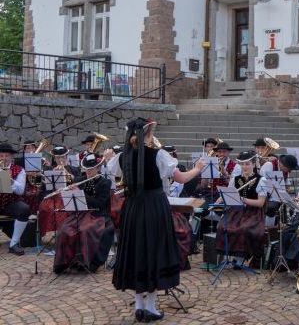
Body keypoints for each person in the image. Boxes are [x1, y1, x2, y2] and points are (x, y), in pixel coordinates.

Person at [112, 118, 207, 323]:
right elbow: (181, 178)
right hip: (154, 207)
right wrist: (198, 168)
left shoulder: (122, 157)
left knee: (137, 250)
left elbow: (118, 176)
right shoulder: (159, 155)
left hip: (132, 208)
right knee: (154, 251)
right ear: (147, 134)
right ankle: (151, 307)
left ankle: (139, 305)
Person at [53, 152, 114, 273]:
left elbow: (99, 204)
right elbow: (73, 201)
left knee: (85, 230)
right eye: (86, 169)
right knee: (63, 230)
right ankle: (66, 262)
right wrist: (70, 192)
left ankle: (86, 262)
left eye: (91, 169)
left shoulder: (105, 183)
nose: (88, 172)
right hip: (80, 215)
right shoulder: (79, 179)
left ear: (98, 168)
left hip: (98, 215)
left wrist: (81, 194)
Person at [215, 150, 268, 263]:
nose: (244, 167)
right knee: (222, 227)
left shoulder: (261, 180)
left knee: (243, 229)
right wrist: (221, 199)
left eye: (247, 164)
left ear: (254, 164)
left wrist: (243, 200)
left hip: (254, 213)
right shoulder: (235, 179)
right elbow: (229, 196)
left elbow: (260, 203)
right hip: (236, 211)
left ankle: (239, 259)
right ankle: (225, 257)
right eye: (242, 164)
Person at [0, 143, 31, 255]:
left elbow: (20, 191)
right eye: (1, 156)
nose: (4, 158)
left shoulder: (19, 170)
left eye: (7, 156)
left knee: (24, 209)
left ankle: (14, 244)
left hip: (10, 202)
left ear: (11, 157)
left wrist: (11, 181)